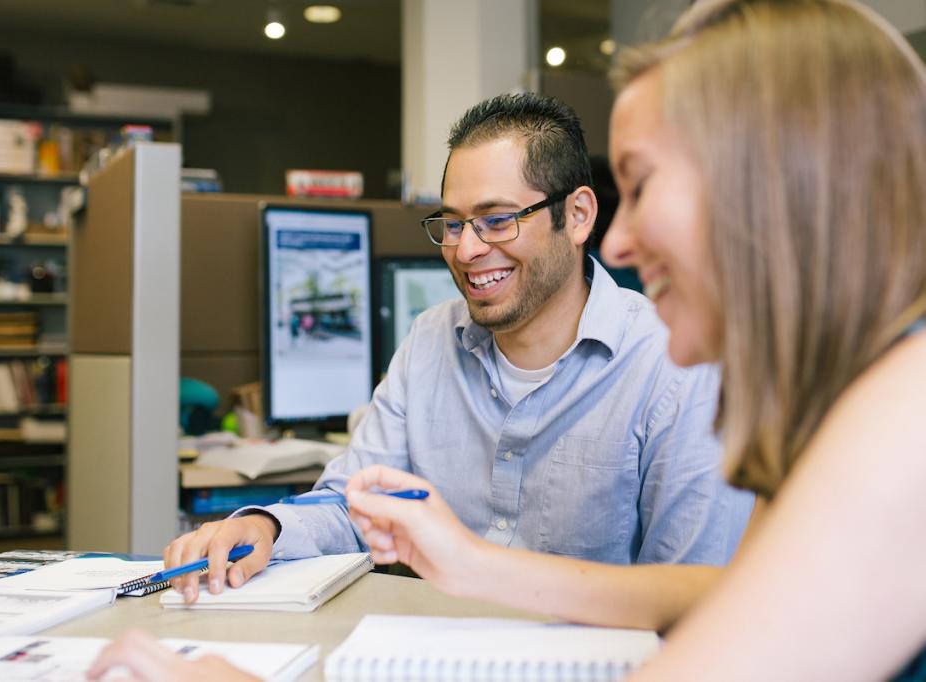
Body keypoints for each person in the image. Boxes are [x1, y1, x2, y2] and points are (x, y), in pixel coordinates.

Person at [342, 1, 926, 680]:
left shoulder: (901, 424)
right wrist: (472, 564)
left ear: (768, 186)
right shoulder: (846, 403)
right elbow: (727, 598)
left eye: (642, 186)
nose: (617, 241)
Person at [87, 91, 754, 681]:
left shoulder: (674, 363)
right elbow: (354, 503)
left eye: (496, 219)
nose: (465, 250)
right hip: (423, 659)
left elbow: (701, 601)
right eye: (453, 223)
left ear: (576, 215)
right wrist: (264, 524)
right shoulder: (431, 339)